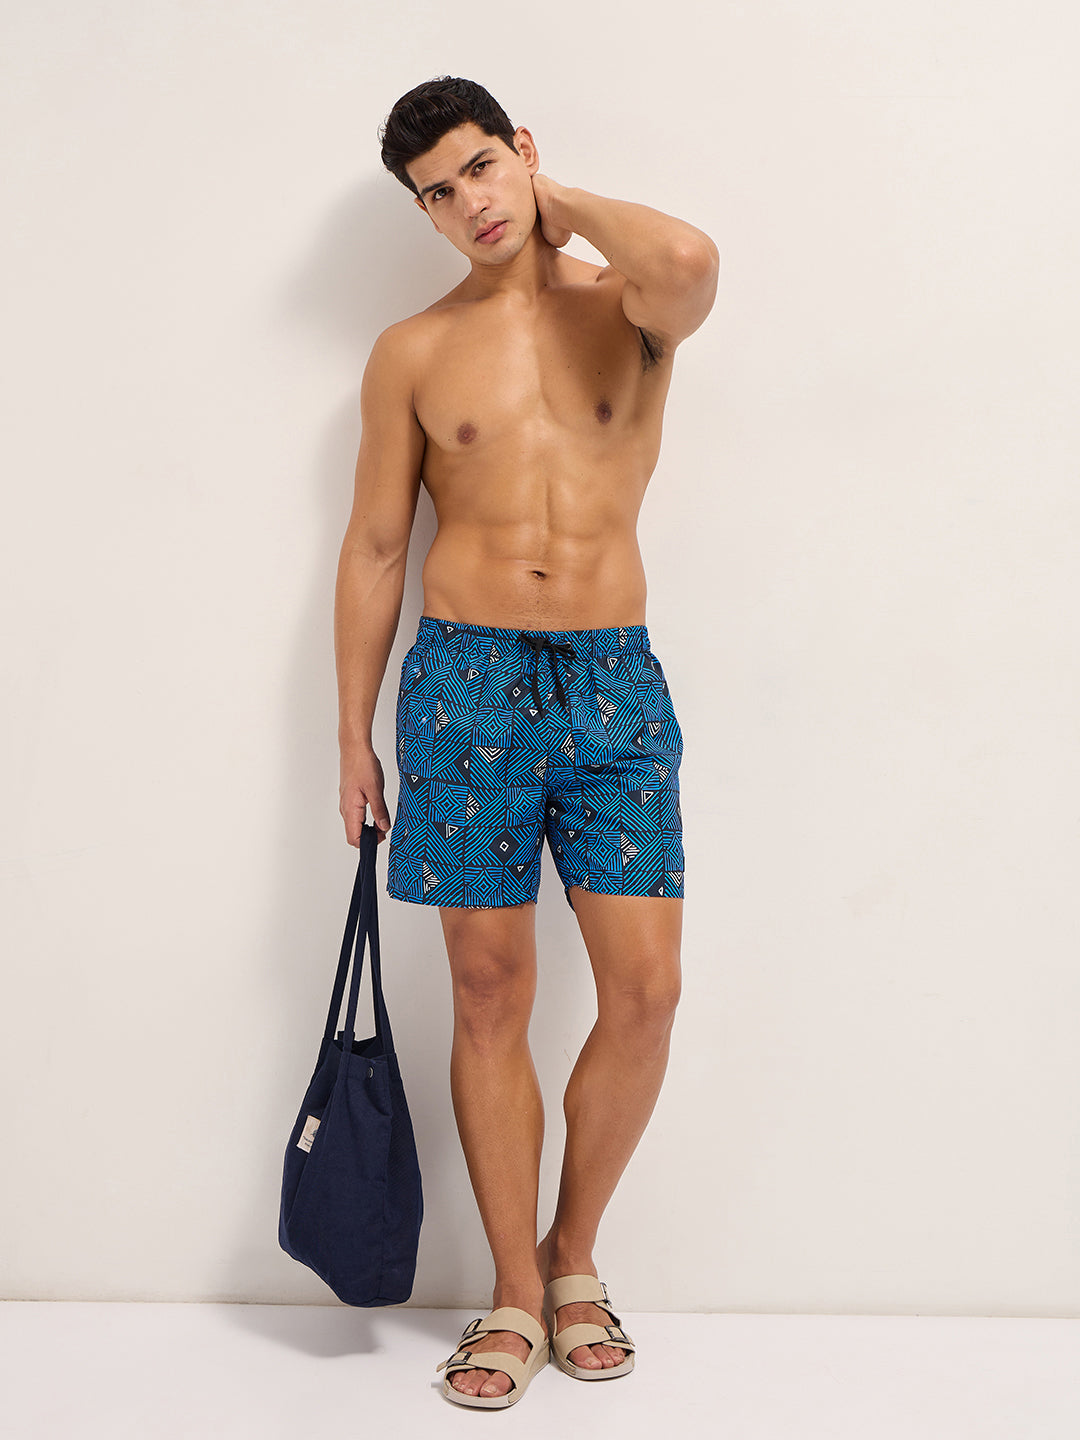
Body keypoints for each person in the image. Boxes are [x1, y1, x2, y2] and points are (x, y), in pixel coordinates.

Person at [334, 76, 718, 1409]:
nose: (469, 203)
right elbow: (376, 547)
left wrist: (559, 205)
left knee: (647, 991)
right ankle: (512, 1293)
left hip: (613, 682)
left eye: (482, 167)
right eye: (438, 192)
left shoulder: (629, 310)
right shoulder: (413, 352)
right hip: (466, 685)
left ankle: (574, 1256)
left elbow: (691, 260)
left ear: (524, 156)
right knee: (490, 992)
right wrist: (352, 735)